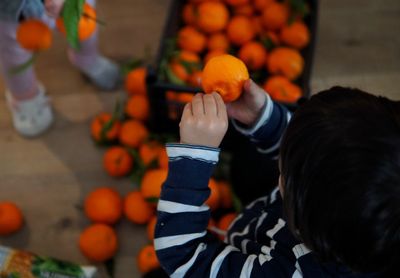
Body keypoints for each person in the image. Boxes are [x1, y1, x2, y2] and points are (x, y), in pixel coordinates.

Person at [154, 81, 400, 277]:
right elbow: (316, 155)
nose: (280, 169)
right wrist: (264, 118)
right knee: (251, 162)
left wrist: (194, 157)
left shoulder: (284, 272)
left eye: (284, 172)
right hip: (265, 222)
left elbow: (182, 255)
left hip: (250, 252)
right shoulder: (352, 217)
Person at [0, 0, 120, 137]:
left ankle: (87, 58)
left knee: (83, 22)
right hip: (10, 12)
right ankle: (25, 95)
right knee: (13, 52)